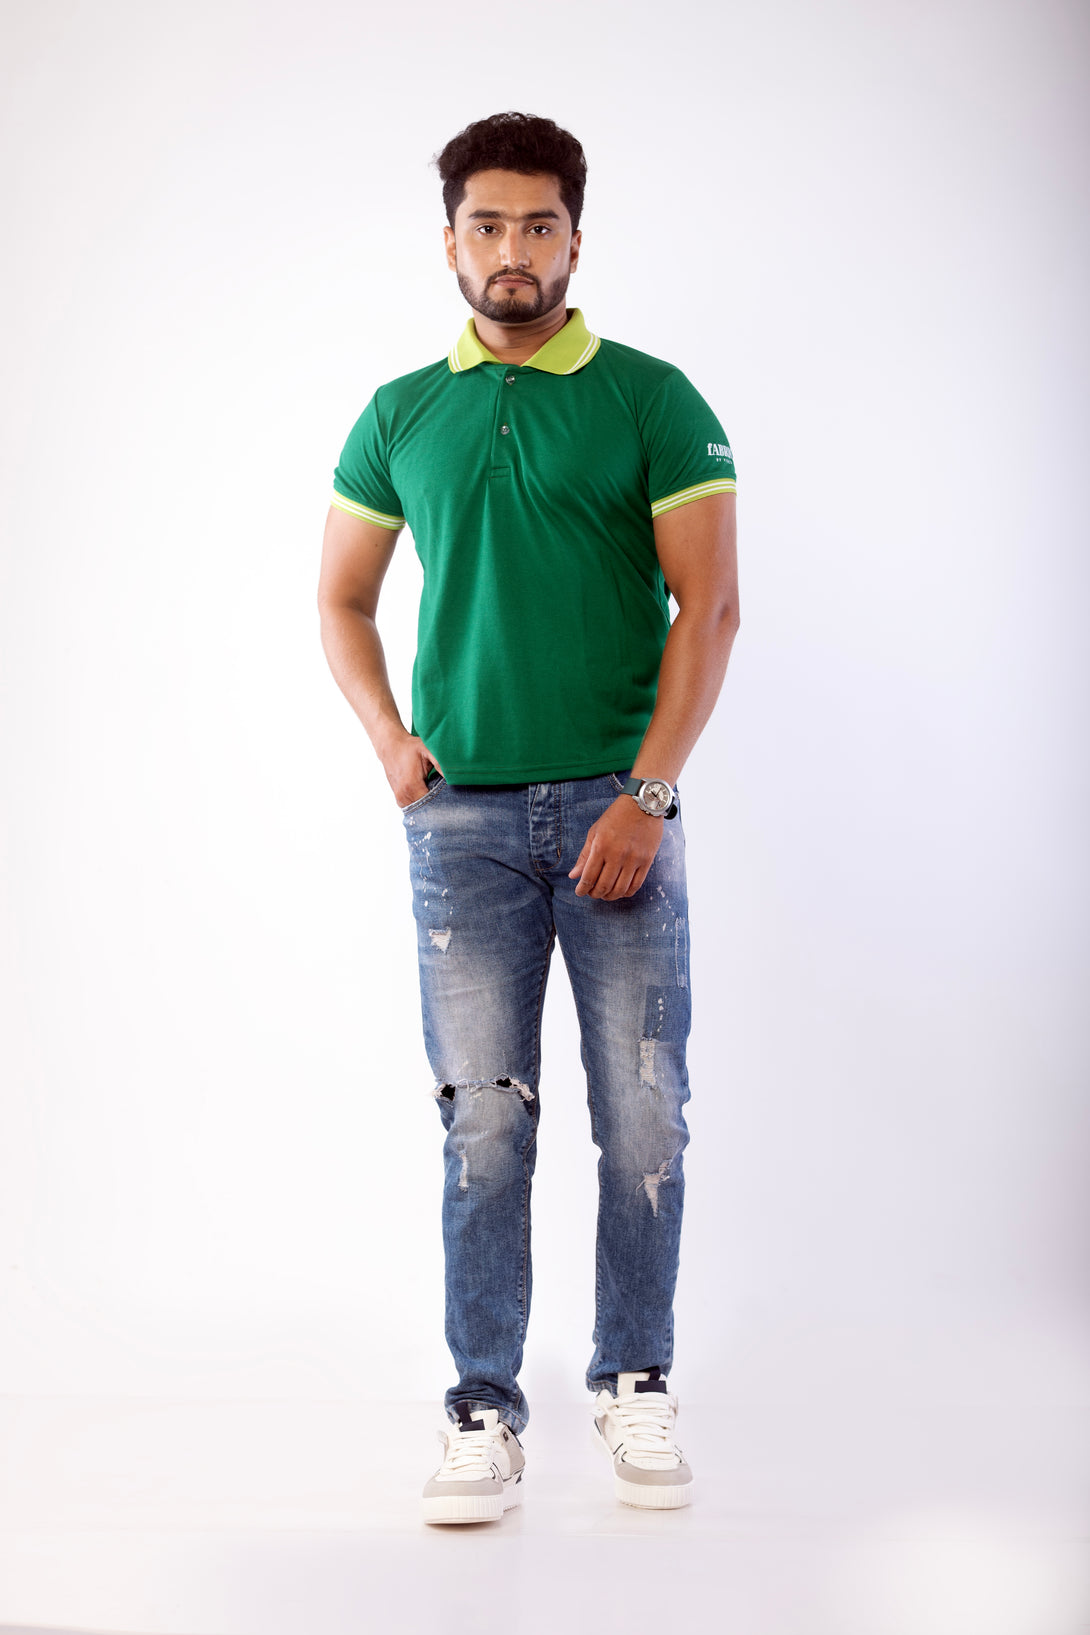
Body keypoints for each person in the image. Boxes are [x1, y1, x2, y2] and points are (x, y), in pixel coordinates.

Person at [317, 111, 739, 1525]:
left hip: (621, 815)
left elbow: (710, 610)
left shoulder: (650, 398)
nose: (513, 249)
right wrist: (390, 741)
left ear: (575, 239)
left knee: (644, 1113)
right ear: (450, 242)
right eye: (487, 225)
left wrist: (647, 794)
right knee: (482, 1127)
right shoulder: (400, 413)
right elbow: (340, 598)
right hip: (463, 829)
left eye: (538, 225)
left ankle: (634, 1379)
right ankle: (481, 1408)